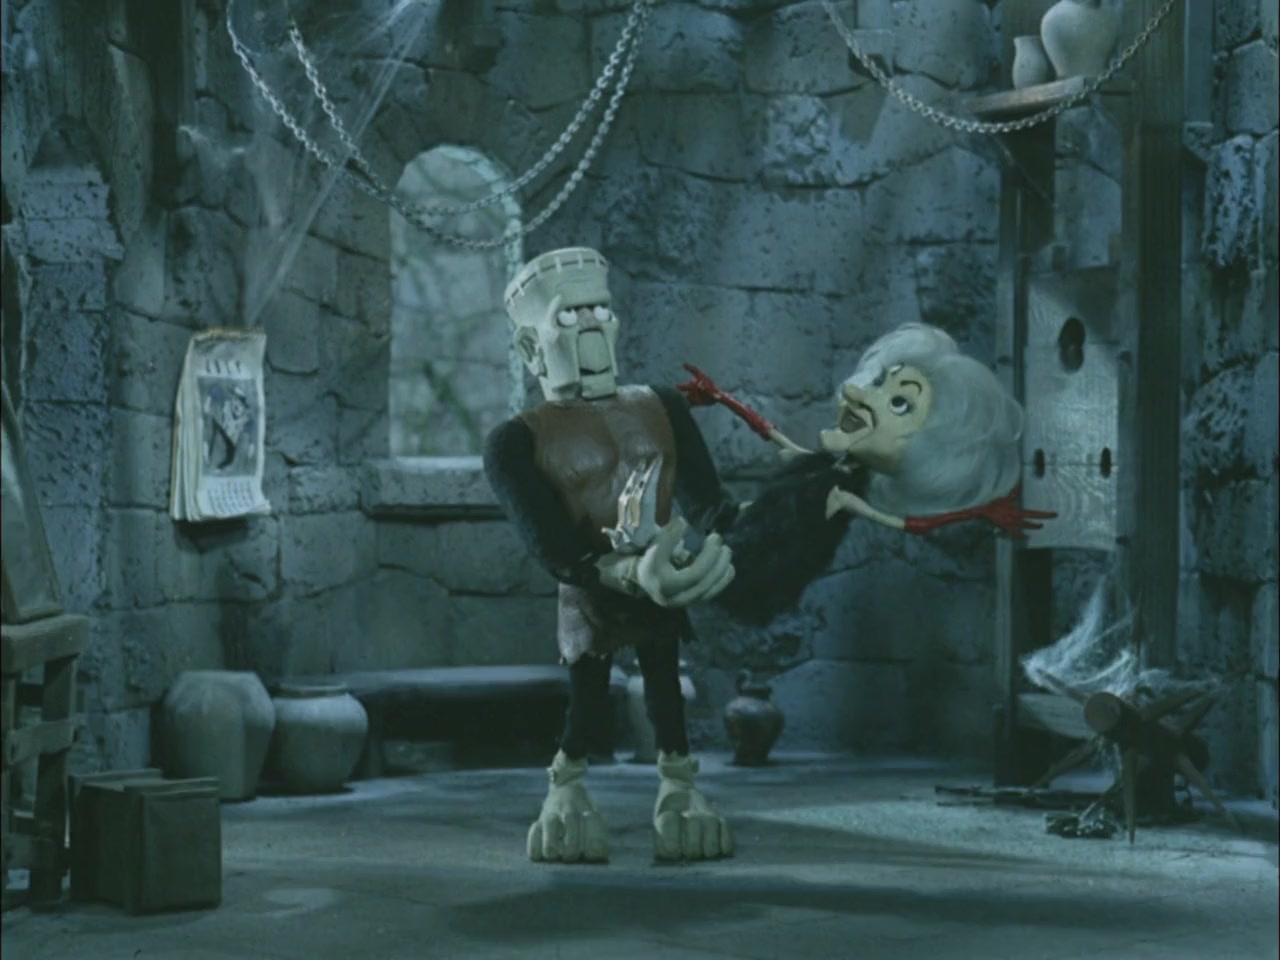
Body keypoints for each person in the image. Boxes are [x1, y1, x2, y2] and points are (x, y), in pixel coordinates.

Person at [483, 247, 740, 864]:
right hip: (595, 588)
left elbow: (713, 506)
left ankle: (679, 783)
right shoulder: (517, 441)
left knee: (665, 684)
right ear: (531, 346)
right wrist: (620, 570)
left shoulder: (662, 408)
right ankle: (567, 782)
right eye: (569, 315)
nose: (590, 325)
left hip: (659, 577)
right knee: (589, 695)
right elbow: (550, 542)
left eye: (599, 309)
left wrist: (781, 515)